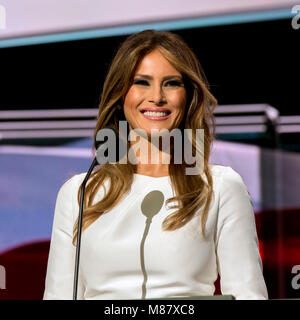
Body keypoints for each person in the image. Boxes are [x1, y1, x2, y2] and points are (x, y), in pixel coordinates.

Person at [43, 29, 268, 300]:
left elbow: (249, 296)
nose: (157, 97)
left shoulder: (221, 187)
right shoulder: (79, 192)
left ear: (188, 97)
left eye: (171, 83)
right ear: (120, 94)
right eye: (142, 82)